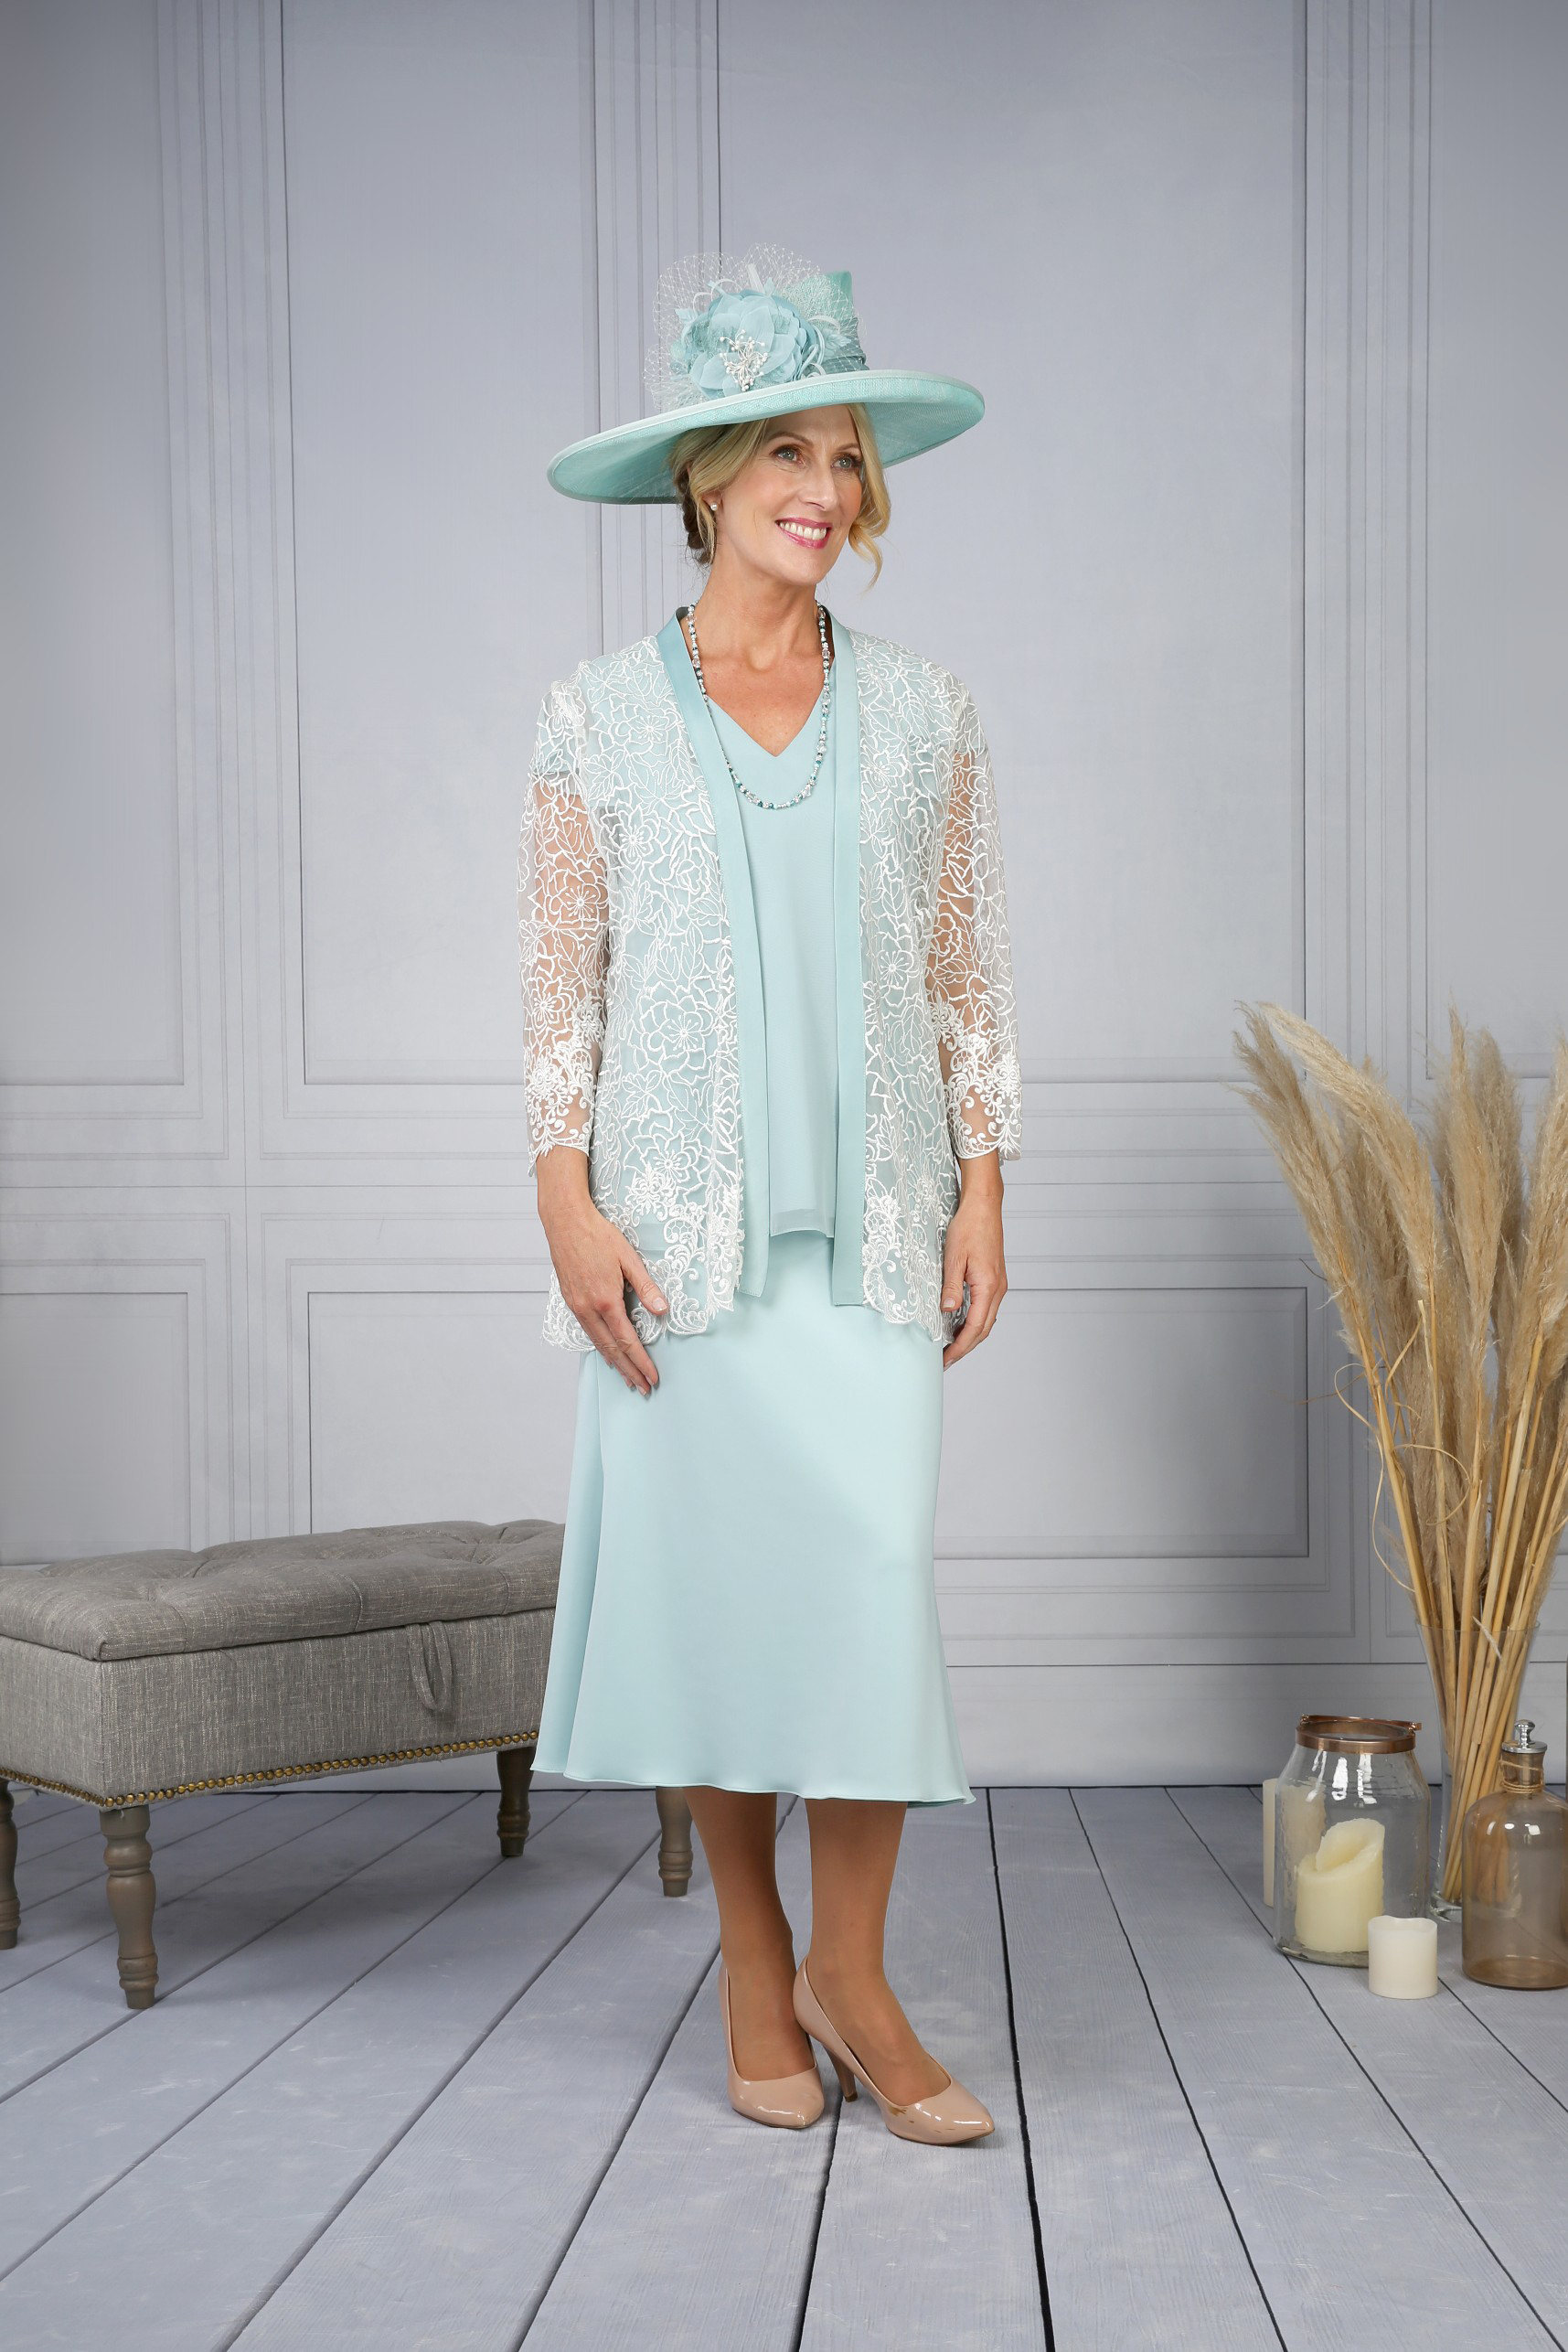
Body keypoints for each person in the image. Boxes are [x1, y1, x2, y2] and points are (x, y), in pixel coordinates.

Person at [519, 248, 1020, 2145]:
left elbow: (969, 971)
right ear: (708, 474)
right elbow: (560, 989)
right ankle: (757, 1963)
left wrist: (986, 1183)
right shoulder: (594, 718)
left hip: (875, 1237)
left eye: (847, 454)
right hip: (676, 1248)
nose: (825, 487)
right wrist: (565, 1202)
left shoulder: (932, 714)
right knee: (722, 1619)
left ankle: (854, 1973)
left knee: (865, 1601)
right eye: (787, 450)